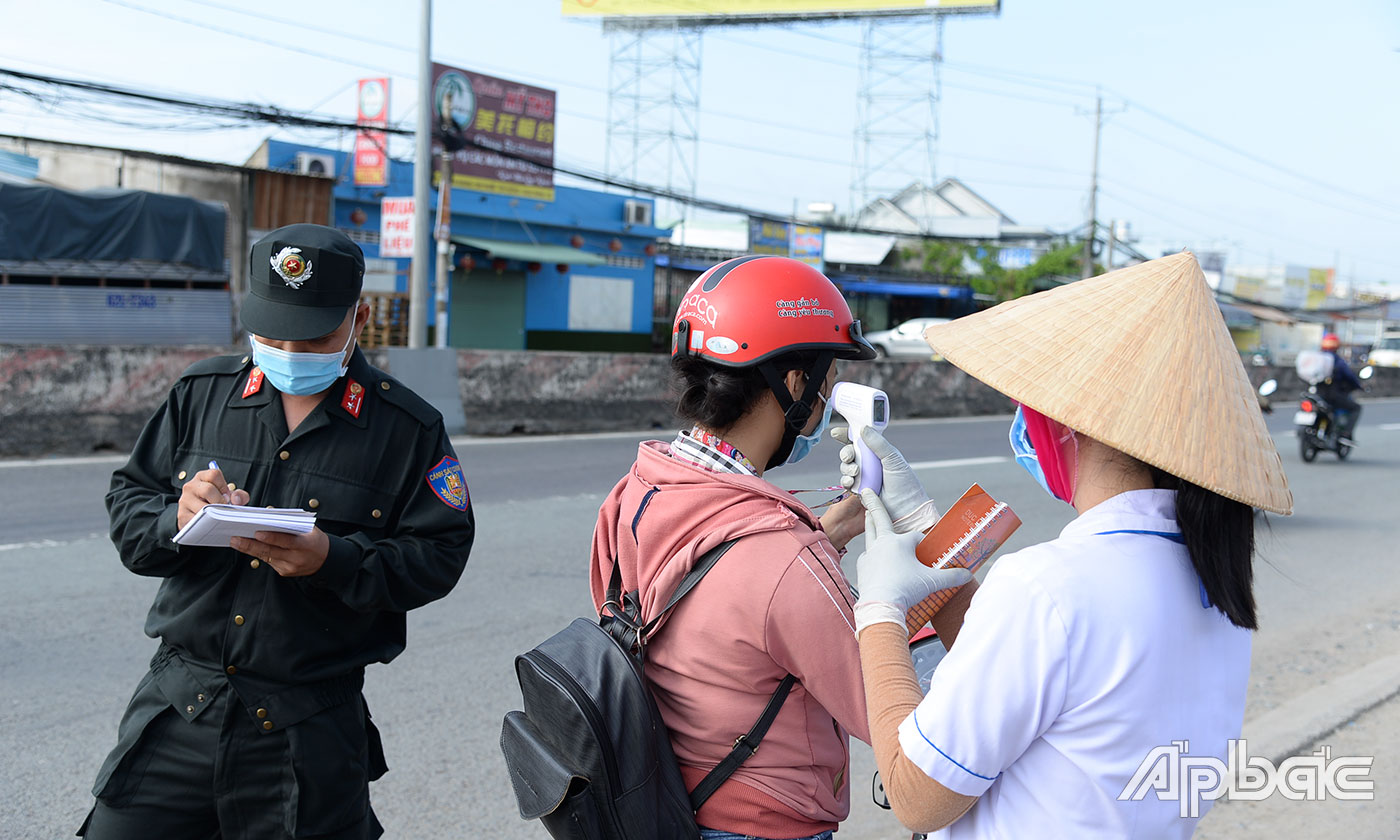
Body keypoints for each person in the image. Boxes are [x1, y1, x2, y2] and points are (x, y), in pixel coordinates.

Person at [849, 252, 1292, 838]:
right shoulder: (1218, 581)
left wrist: (878, 613)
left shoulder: (1048, 587)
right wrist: (922, 522)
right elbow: (1028, 675)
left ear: (1064, 425)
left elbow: (914, 796)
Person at [80, 224, 475, 839]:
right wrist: (175, 519)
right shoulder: (201, 395)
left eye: (313, 335)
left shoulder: (407, 429)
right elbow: (129, 508)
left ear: (359, 318)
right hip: (181, 704)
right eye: (270, 332)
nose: (289, 349)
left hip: (306, 728)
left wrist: (333, 560)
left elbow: (438, 555)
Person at [589, 256, 959, 840]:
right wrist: (907, 568)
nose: (829, 397)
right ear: (793, 383)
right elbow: (906, 719)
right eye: (829, 380)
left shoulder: (634, 494)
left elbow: (712, 594)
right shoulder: (784, 558)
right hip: (764, 826)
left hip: (666, 805)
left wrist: (828, 532)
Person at [1318, 332, 1364, 442]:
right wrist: (1359, 386)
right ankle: (1345, 434)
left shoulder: (1317, 358)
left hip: (1316, 394)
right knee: (1356, 408)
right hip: (1332, 396)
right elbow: (1350, 376)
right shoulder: (1337, 361)